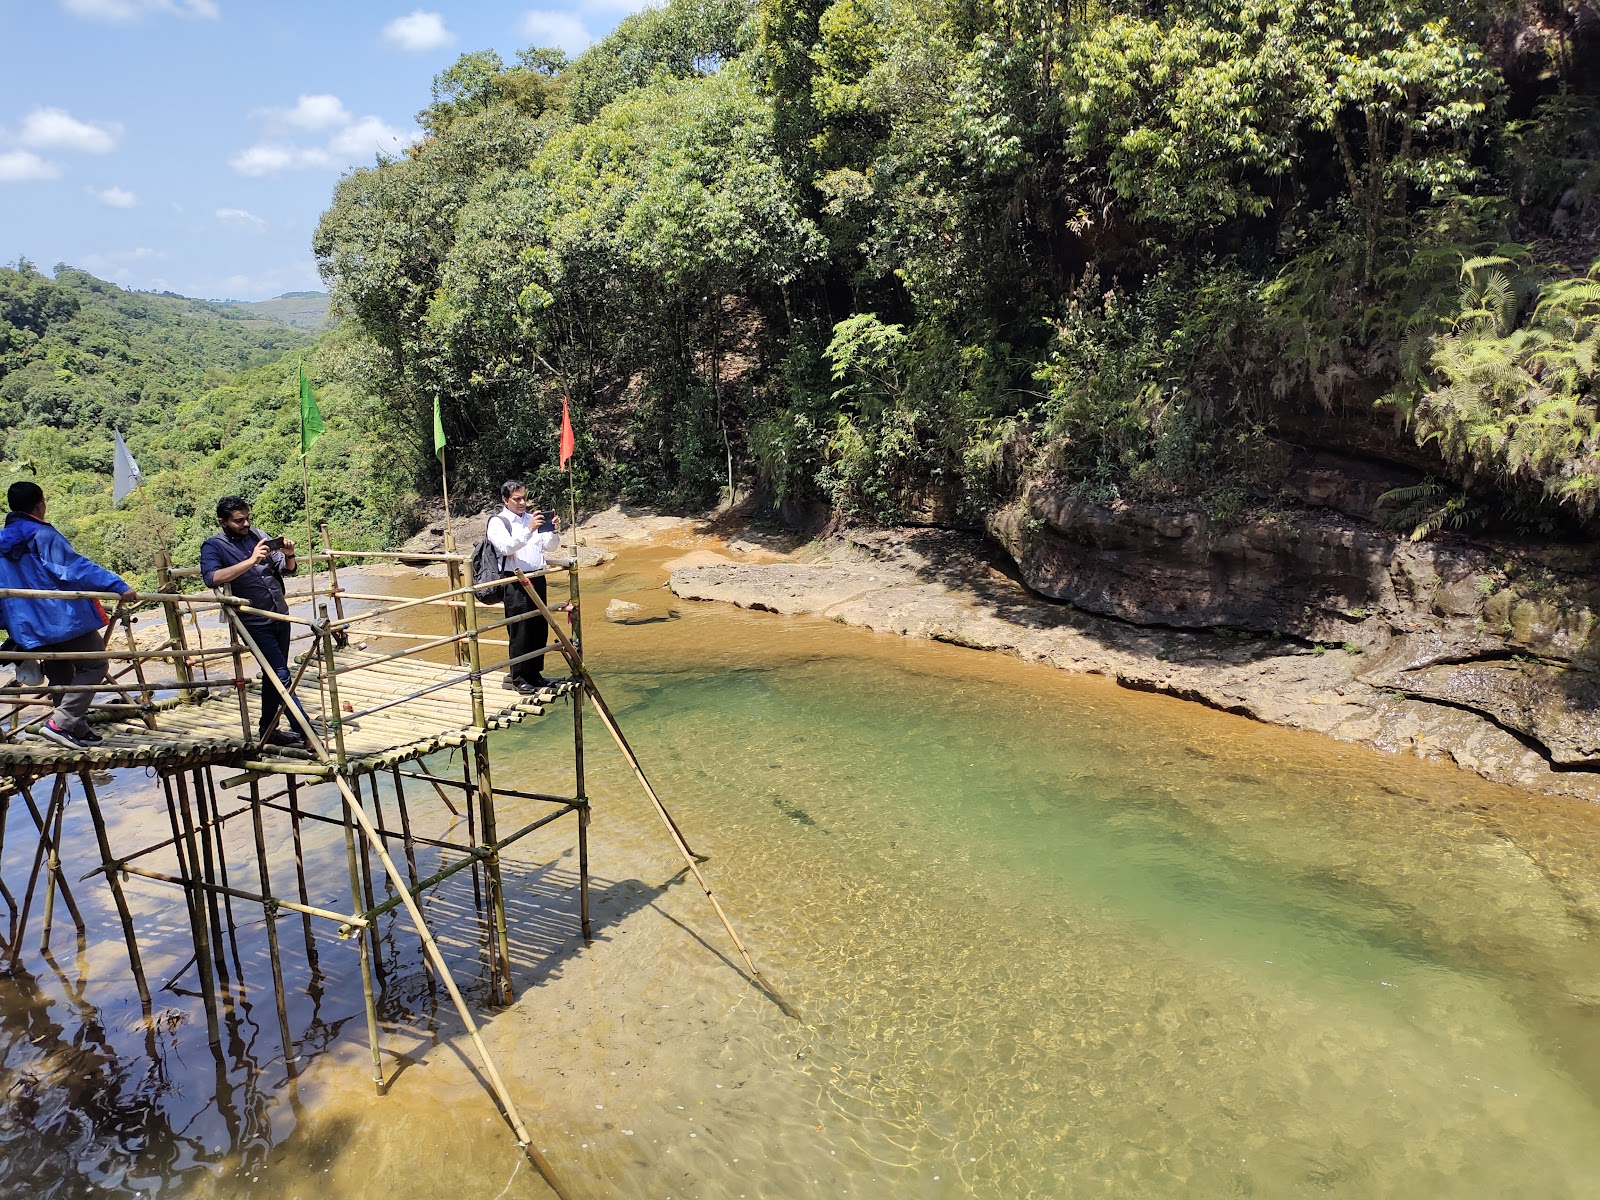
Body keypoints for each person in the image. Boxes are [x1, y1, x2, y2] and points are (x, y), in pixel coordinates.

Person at [0, 480, 139, 750]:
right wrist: (118, 585)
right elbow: (74, 568)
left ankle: (77, 728)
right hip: (61, 617)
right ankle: (60, 724)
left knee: (60, 671)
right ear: (40, 503)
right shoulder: (41, 534)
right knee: (95, 664)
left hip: (27, 623)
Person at [200, 495, 307, 748]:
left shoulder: (258, 535)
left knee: (273, 675)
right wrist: (250, 561)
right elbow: (212, 578)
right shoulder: (213, 546)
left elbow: (287, 570)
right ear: (223, 522)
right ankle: (304, 731)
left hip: (279, 613)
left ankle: (268, 731)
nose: (245, 524)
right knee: (280, 674)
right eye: (238, 521)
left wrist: (289, 554)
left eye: (247, 518)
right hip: (253, 619)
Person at [486, 479, 561, 694]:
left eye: (524, 498)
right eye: (516, 499)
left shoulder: (532, 519)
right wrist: (528, 530)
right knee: (520, 629)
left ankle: (535, 673)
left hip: (537, 577)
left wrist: (554, 530)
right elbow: (506, 547)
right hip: (515, 580)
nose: (522, 503)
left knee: (539, 627)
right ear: (505, 500)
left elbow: (550, 547)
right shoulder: (498, 522)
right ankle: (518, 676)